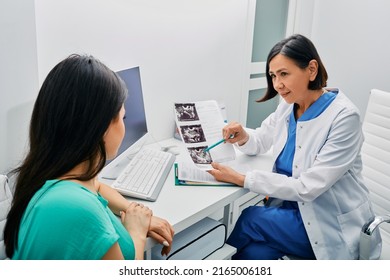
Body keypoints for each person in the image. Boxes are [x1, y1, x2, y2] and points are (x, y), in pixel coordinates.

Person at [208, 34, 382, 260]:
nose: (277, 84)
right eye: (273, 76)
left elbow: (307, 187)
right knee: (252, 254)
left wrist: (243, 179)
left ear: (311, 69)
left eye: (284, 74)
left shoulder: (344, 117)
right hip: (291, 212)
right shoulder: (288, 106)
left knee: (251, 217)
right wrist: (243, 136)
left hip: (327, 224)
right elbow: (260, 140)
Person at [4, 54, 174, 260]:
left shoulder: (49, 177)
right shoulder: (80, 211)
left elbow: (96, 187)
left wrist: (132, 210)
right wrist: (136, 232)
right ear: (100, 127)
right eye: (123, 117)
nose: (124, 126)